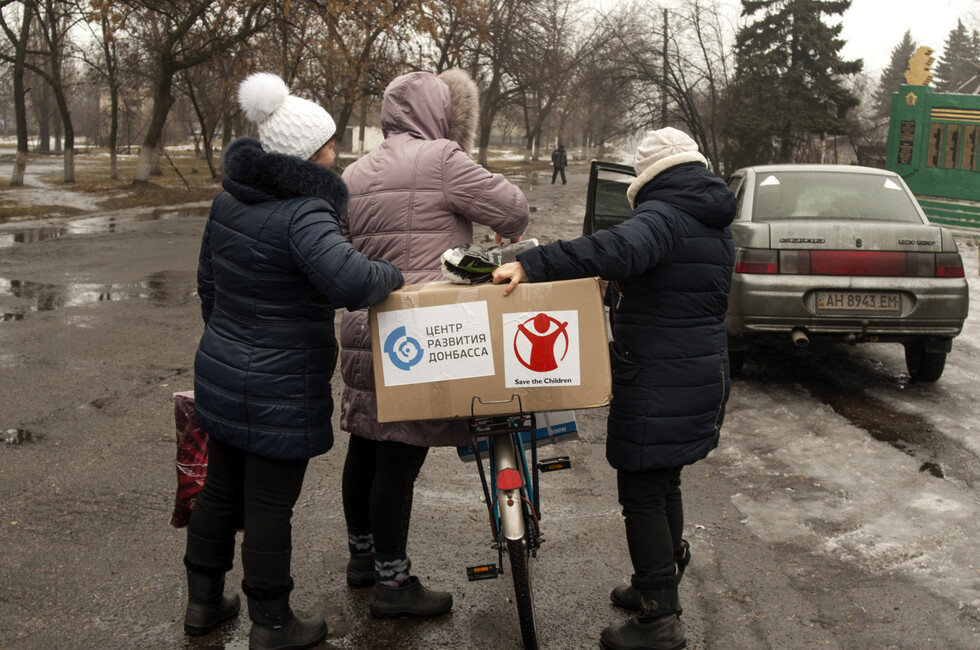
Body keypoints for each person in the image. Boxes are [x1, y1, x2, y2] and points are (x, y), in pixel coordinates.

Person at [183, 72, 403, 650]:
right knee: (268, 505)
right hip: (279, 384)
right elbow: (353, 281)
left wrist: (232, 343)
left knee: (219, 490)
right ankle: (273, 623)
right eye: (331, 145)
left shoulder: (229, 199)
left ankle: (203, 604)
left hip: (223, 369)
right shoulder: (304, 213)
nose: (337, 155)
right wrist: (394, 273)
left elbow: (208, 285)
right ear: (310, 154)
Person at [492, 127, 735, 650]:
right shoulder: (708, 219)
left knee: (642, 492)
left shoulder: (663, 217)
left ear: (650, 176)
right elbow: (668, 284)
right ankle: (658, 579)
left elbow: (614, 248)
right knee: (662, 481)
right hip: (699, 372)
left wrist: (532, 263)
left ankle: (659, 620)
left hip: (660, 376)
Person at [338, 69, 529, 618]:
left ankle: (363, 558)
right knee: (401, 453)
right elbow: (513, 211)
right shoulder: (443, 158)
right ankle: (393, 584)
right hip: (419, 332)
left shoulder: (354, 172)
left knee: (367, 442)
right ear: (440, 112)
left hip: (363, 325)